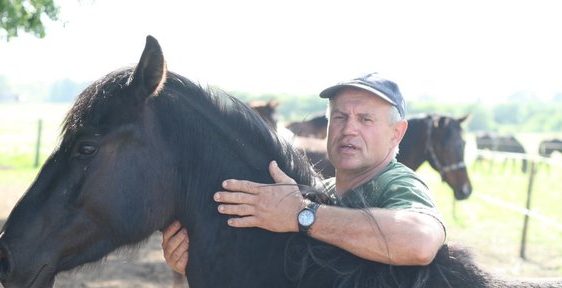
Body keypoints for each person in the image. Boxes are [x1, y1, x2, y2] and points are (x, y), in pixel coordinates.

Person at [161, 73, 446, 274]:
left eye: (365, 119)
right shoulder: (322, 190)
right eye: (339, 117)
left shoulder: (396, 182)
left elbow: (420, 241)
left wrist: (301, 215)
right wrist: (197, 261)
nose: (349, 129)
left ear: (397, 133)